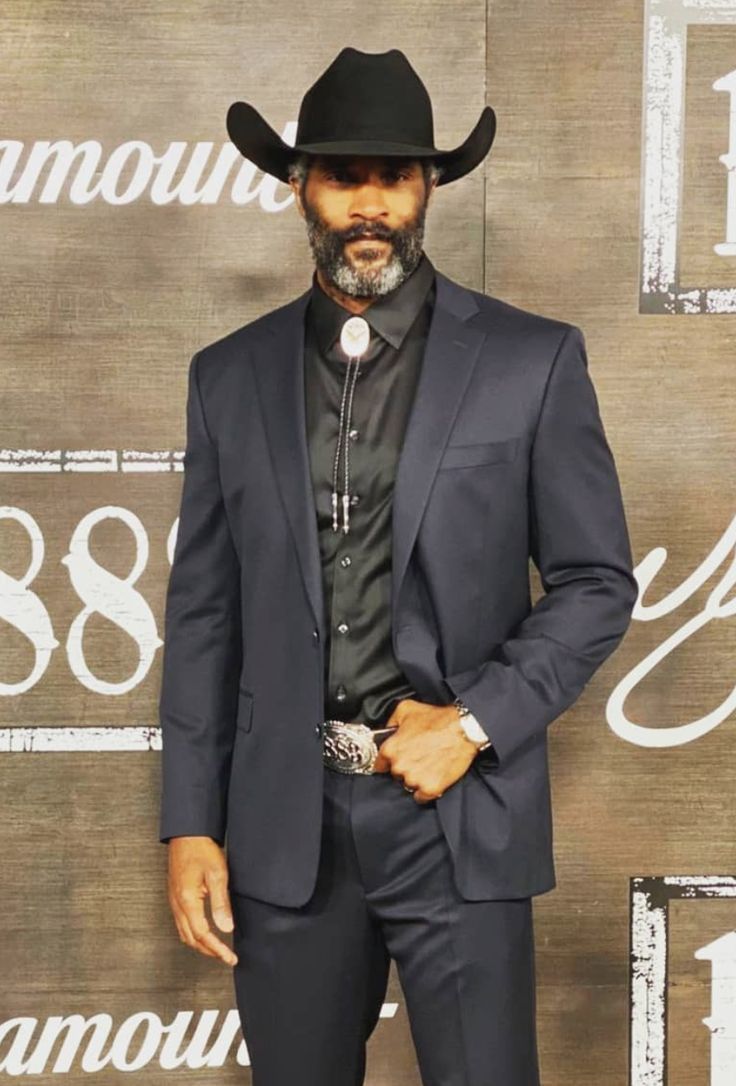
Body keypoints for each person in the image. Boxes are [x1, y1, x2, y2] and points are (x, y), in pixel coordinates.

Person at [158, 46, 638, 1086]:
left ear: (427, 187)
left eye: (394, 176)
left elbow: (598, 583)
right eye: (342, 176)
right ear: (300, 188)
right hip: (287, 830)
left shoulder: (530, 360)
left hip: (457, 821)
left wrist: (470, 721)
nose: (368, 203)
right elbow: (203, 615)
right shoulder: (227, 377)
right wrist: (191, 822)